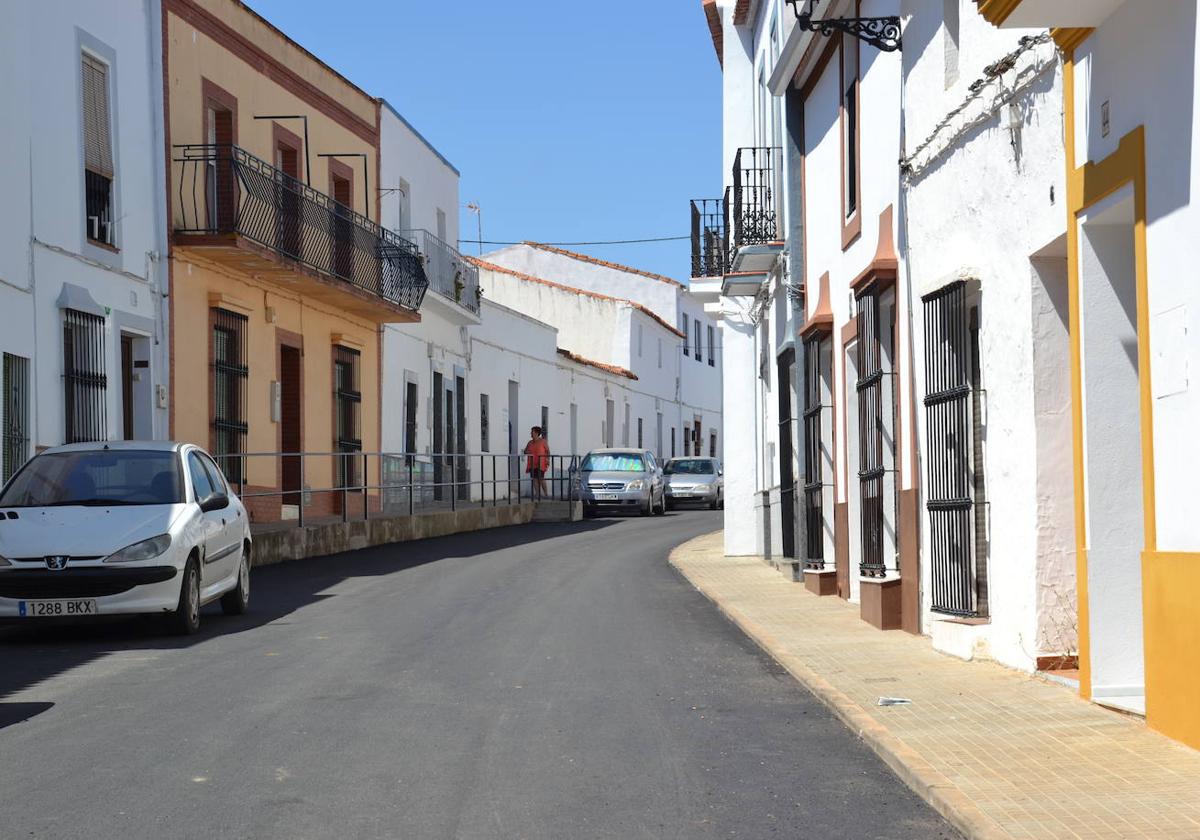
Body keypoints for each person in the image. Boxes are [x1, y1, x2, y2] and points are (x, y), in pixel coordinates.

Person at [524, 426, 550, 501]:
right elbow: (525, 451)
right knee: (534, 478)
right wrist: (527, 452)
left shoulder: (543, 441)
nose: (531, 433)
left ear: (536, 433)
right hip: (532, 463)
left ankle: (546, 494)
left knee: (541, 478)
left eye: (532, 432)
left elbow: (548, 451)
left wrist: (547, 459)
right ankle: (537, 494)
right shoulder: (530, 442)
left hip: (541, 463)